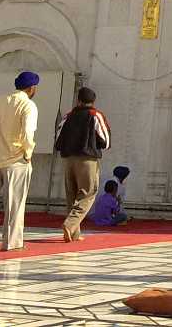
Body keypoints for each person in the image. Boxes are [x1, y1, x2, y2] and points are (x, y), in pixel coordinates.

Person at [0, 71, 39, 251]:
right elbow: (28, 133)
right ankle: (12, 243)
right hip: (16, 160)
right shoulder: (28, 105)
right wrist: (28, 152)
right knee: (14, 205)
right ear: (32, 88)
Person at [55, 86, 111, 242]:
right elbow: (105, 140)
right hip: (87, 159)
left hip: (68, 159)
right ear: (93, 102)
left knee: (71, 195)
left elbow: (58, 136)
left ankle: (74, 233)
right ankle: (70, 224)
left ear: (78, 100)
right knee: (88, 193)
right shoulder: (95, 115)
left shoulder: (68, 116)